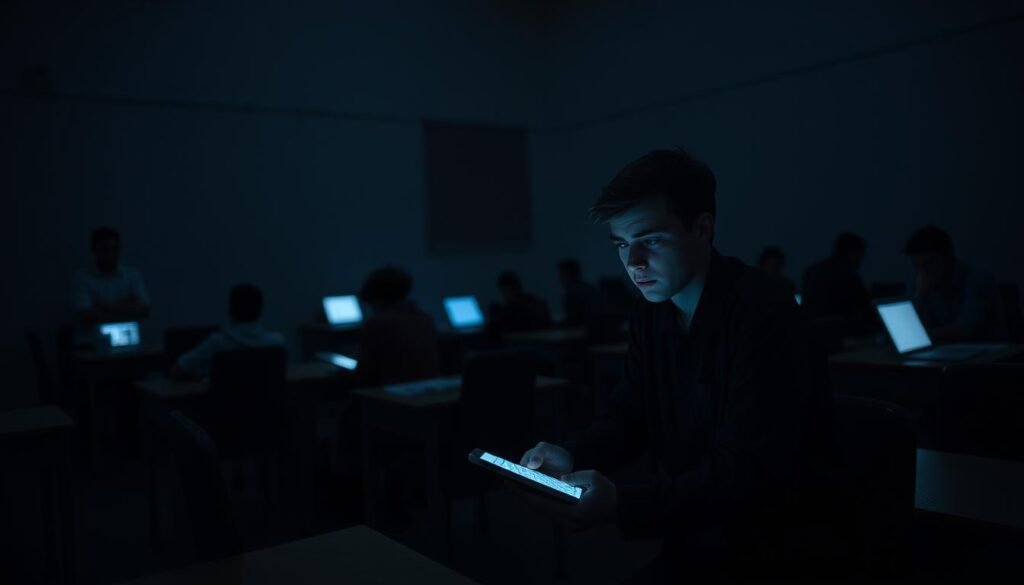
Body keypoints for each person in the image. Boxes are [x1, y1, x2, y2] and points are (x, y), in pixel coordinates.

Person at [514, 149, 837, 581]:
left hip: (777, 551)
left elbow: (749, 471)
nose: (633, 265)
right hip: (698, 538)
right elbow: (630, 414)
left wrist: (622, 504)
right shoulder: (653, 311)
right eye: (622, 245)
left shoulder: (765, 312)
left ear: (703, 228)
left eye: (650, 241)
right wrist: (571, 452)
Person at [905, 225, 1005, 343]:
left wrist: (916, 334)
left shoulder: (978, 280)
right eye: (917, 265)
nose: (923, 271)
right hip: (940, 352)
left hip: (985, 352)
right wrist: (920, 296)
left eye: (929, 262)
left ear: (948, 256)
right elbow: (907, 324)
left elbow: (966, 329)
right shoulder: (918, 282)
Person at [171, 284, 285, 380]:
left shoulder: (217, 343)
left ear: (231, 310)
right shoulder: (276, 342)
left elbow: (177, 370)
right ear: (260, 311)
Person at [355, 266, 439, 386]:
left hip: (391, 395)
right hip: (427, 391)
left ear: (377, 299)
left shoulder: (378, 324)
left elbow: (365, 373)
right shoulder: (425, 319)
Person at [72, 227, 151, 345]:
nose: (110, 255)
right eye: (105, 250)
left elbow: (144, 310)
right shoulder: (82, 278)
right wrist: (127, 307)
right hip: (91, 345)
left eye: (114, 249)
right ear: (94, 251)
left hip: (128, 344)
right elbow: (85, 317)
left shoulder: (132, 275)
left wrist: (104, 307)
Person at [802, 232, 875, 335]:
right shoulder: (849, 275)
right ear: (853, 253)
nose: (860, 260)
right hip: (842, 334)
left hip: (814, 335)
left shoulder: (813, 271)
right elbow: (863, 309)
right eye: (860, 255)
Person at [557, 258, 604, 326]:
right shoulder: (592, 289)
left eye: (561, 274)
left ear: (568, 274)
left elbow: (572, 322)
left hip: (584, 333)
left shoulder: (571, 295)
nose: (559, 278)